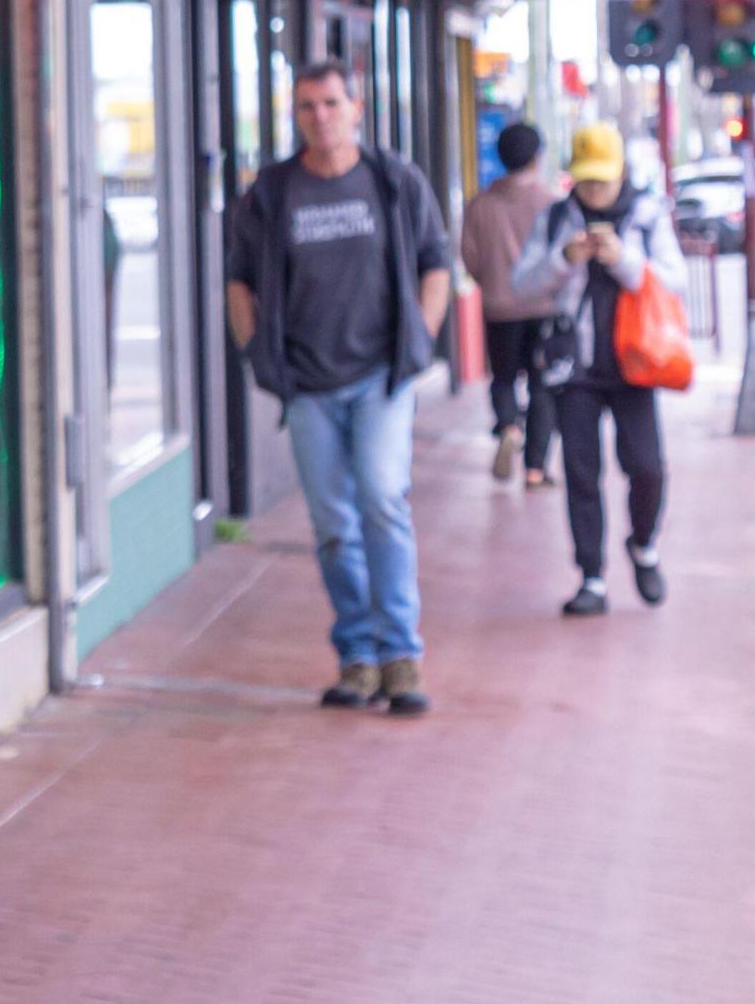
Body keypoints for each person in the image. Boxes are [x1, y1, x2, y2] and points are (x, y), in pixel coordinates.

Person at [222, 62, 457, 716]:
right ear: (294, 115)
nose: (320, 117)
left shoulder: (392, 180)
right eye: (306, 107)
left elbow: (436, 261)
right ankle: (357, 656)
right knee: (332, 525)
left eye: (330, 103)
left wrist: (420, 338)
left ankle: (401, 656)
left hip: (380, 378)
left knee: (382, 500)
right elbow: (239, 278)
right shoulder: (272, 193)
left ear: (356, 107)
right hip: (308, 385)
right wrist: (256, 351)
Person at [511, 123, 685, 616]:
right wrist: (564, 258)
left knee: (648, 468)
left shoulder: (648, 217)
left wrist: (623, 258)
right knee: (581, 473)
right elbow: (521, 284)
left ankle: (643, 545)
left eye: (601, 181)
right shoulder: (556, 219)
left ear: (621, 174)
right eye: (584, 181)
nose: (593, 191)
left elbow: (675, 282)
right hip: (575, 366)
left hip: (635, 362)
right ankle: (591, 576)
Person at [456, 121, 564, 490]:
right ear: (536, 157)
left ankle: (507, 426)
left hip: (499, 307)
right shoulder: (551, 203)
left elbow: (468, 257)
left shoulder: (480, 204)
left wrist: (490, 283)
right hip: (544, 308)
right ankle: (535, 468)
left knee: (502, 378)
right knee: (542, 387)